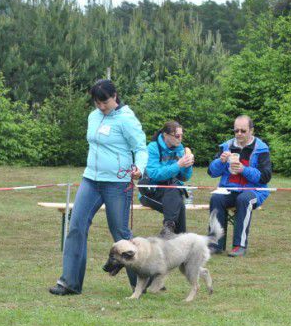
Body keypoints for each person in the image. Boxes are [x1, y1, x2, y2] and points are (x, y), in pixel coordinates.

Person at [49, 79, 148, 296]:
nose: (101, 106)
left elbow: (140, 148)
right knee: (75, 226)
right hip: (91, 180)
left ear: (115, 96)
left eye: (104, 102)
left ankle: (140, 282)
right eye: (97, 102)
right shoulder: (93, 116)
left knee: (120, 233)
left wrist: (139, 168)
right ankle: (69, 283)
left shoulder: (127, 119)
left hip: (117, 183)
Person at [208, 115, 272, 257]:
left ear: (251, 131)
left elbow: (265, 176)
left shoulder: (261, 149)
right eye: (236, 131)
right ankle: (215, 244)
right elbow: (211, 172)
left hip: (255, 191)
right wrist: (220, 161)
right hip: (229, 188)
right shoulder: (226, 146)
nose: (239, 134)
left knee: (244, 199)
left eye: (243, 131)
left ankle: (239, 245)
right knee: (216, 198)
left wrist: (244, 170)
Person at [138, 121, 194, 237]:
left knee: (175, 193)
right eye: (177, 136)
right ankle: (180, 237)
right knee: (178, 202)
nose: (180, 139)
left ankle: (169, 230)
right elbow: (154, 174)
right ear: (165, 135)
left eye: (182, 135)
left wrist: (188, 166)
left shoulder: (180, 149)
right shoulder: (152, 148)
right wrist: (178, 165)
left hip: (170, 191)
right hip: (151, 191)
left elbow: (184, 177)